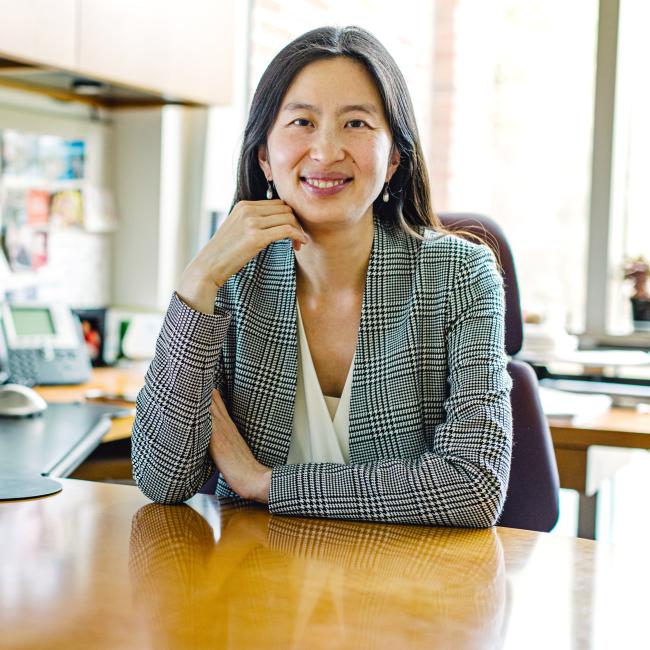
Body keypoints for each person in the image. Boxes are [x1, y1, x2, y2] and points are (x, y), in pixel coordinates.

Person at [132, 26, 512, 527]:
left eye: (356, 123)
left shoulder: (460, 274)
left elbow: (474, 485)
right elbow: (163, 481)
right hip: (254, 584)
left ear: (395, 157)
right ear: (264, 156)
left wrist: (262, 483)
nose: (326, 150)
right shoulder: (232, 280)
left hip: (404, 590)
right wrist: (198, 280)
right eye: (301, 122)